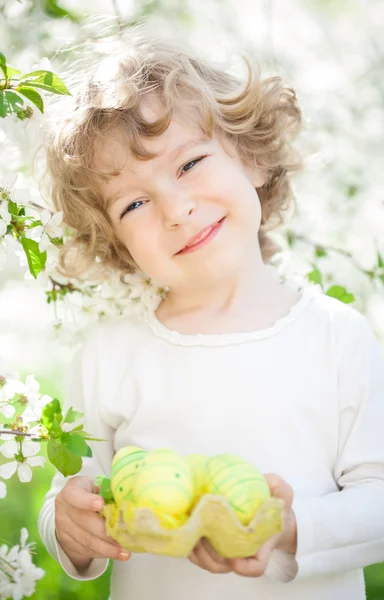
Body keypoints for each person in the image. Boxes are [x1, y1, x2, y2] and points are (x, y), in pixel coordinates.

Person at [38, 26, 384, 600]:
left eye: (190, 163)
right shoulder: (109, 355)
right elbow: (73, 494)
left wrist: (293, 531)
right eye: (135, 203)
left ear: (250, 156)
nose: (176, 209)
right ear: (119, 244)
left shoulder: (336, 338)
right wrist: (68, 527)